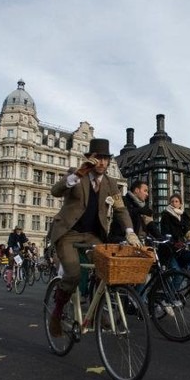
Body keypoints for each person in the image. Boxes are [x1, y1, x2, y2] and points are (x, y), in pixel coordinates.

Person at [48, 138, 140, 337]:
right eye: (98, 158)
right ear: (90, 158)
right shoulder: (76, 174)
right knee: (72, 274)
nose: (102, 163)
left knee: (106, 270)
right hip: (68, 234)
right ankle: (56, 313)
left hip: (92, 236)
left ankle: (98, 312)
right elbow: (55, 191)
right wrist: (77, 175)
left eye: (106, 159)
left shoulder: (110, 183)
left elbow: (120, 209)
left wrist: (130, 232)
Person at [159, 193, 190, 275]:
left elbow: (186, 231)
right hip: (169, 249)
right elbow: (165, 232)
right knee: (178, 274)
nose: (174, 203)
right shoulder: (166, 215)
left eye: (176, 201)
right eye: (172, 201)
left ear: (180, 204)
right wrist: (174, 241)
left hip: (181, 249)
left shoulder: (183, 216)